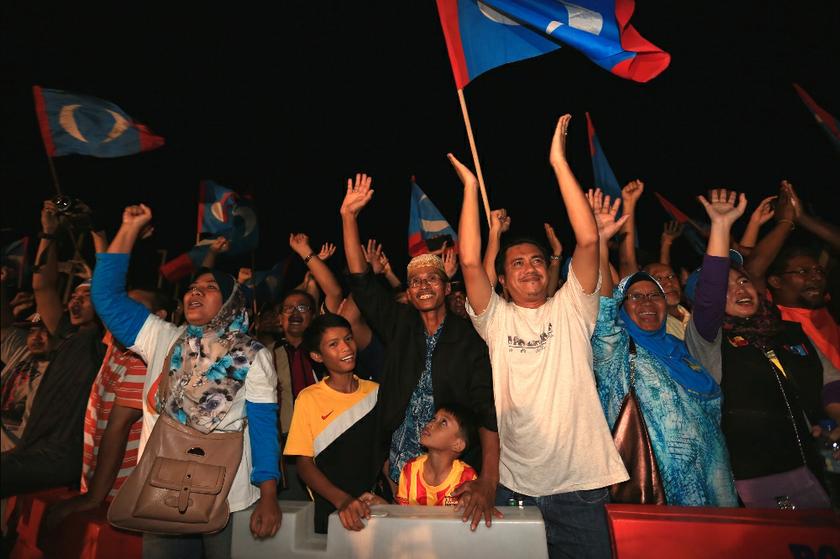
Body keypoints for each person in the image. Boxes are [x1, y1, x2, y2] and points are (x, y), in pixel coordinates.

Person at [455, 114, 628, 559]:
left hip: (580, 487)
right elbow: (471, 263)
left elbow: (588, 241)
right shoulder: (495, 319)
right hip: (515, 486)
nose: (529, 267)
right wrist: (471, 190)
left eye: (536, 260)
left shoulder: (572, 307)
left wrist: (558, 162)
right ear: (504, 280)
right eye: (516, 264)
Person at [90, 204, 280, 558]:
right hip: (161, 489)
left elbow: (264, 427)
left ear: (230, 301)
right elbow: (106, 298)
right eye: (192, 287)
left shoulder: (254, 355)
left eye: (209, 287)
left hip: (230, 498)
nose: (195, 291)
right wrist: (128, 229)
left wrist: (268, 495)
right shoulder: (162, 338)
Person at [340, 173, 500, 531]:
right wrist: (349, 218)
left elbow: (488, 412)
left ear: (446, 287)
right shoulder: (399, 325)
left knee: (447, 544)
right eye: (415, 282)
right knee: (406, 545)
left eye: (431, 279)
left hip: (452, 471)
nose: (422, 285)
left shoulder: (470, 337)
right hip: (397, 467)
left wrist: (488, 481)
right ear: (409, 293)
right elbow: (362, 284)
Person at [590, 186, 743, 508]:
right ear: (621, 306)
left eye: (655, 295)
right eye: (636, 296)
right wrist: (601, 243)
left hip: (716, 487)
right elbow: (603, 305)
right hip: (658, 491)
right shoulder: (615, 349)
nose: (647, 302)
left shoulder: (680, 347)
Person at [43, 288, 175, 530]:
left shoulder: (143, 362)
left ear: (159, 316)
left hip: (117, 493)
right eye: (123, 304)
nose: (124, 312)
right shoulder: (117, 343)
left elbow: (118, 429)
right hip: (102, 484)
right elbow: (105, 300)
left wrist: (93, 497)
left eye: (135, 307)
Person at [1, 200, 107, 497]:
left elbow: (108, 289)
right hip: (34, 448)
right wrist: (49, 233)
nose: (74, 301)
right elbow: (43, 288)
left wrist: (97, 232)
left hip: (63, 455)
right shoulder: (66, 336)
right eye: (72, 296)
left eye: (85, 297)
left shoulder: (104, 344)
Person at [709, 260, 830, 508]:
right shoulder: (710, 345)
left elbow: (830, 380)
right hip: (758, 475)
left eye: (743, 281)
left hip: (817, 460)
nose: (740, 290)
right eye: (724, 286)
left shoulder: (790, 331)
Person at [283, 313, 381, 533]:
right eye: (333, 344)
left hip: (373, 503)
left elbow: (384, 453)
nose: (346, 348)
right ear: (317, 356)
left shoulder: (374, 392)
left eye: (348, 339)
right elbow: (304, 465)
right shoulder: (309, 398)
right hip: (331, 506)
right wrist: (343, 501)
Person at [392, 403, 478, 506]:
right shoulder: (411, 469)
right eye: (433, 418)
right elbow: (401, 515)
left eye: (443, 422)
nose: (429, 424)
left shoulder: (466, 477)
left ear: (457, 444)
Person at [1, 314, 51, 452]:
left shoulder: (60, 368)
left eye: (45, 331)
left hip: (13, 456)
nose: (36, 337)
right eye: (32, 331)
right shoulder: (23, 350)